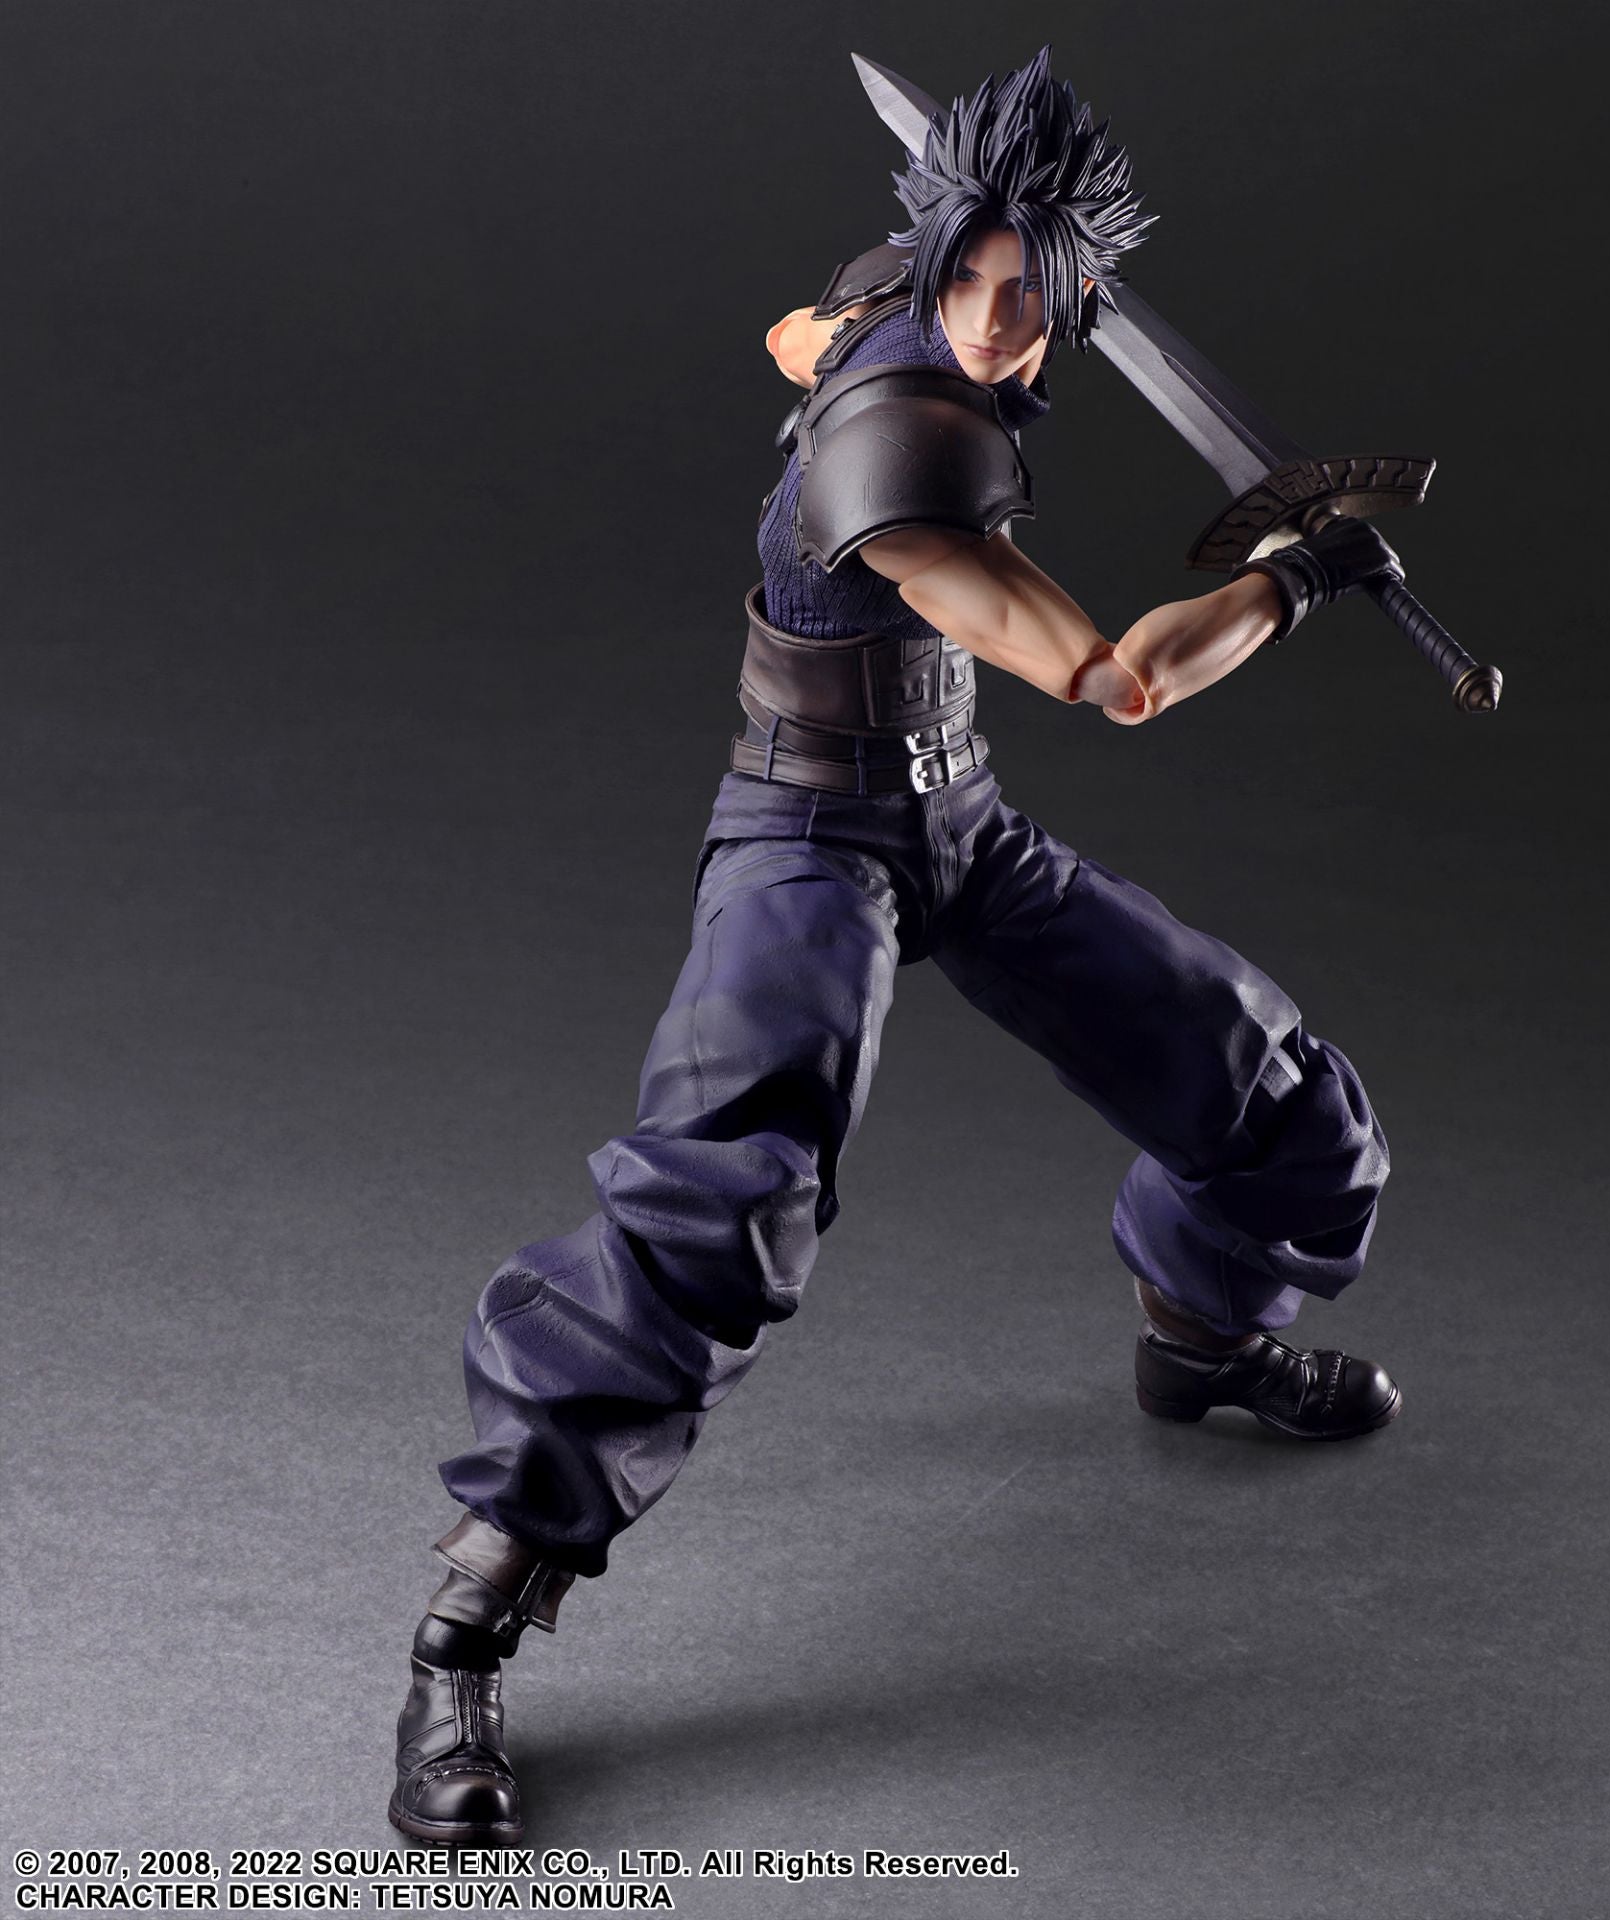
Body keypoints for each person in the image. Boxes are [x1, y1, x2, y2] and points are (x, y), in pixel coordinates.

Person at [391, 49, 1404, 1845]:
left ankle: (1201, 1334)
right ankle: (466, 1626)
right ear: (939, 266)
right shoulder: (899, 449)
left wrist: (858, 330)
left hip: (960, 821)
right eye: (976, 288)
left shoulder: (877, 295)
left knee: (1264, 1086)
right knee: (728, 1199)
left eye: (1033, 295)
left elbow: (791, 330)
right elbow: (1116, 678)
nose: (998, 327)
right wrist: (1298, 577)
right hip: (808, 832)